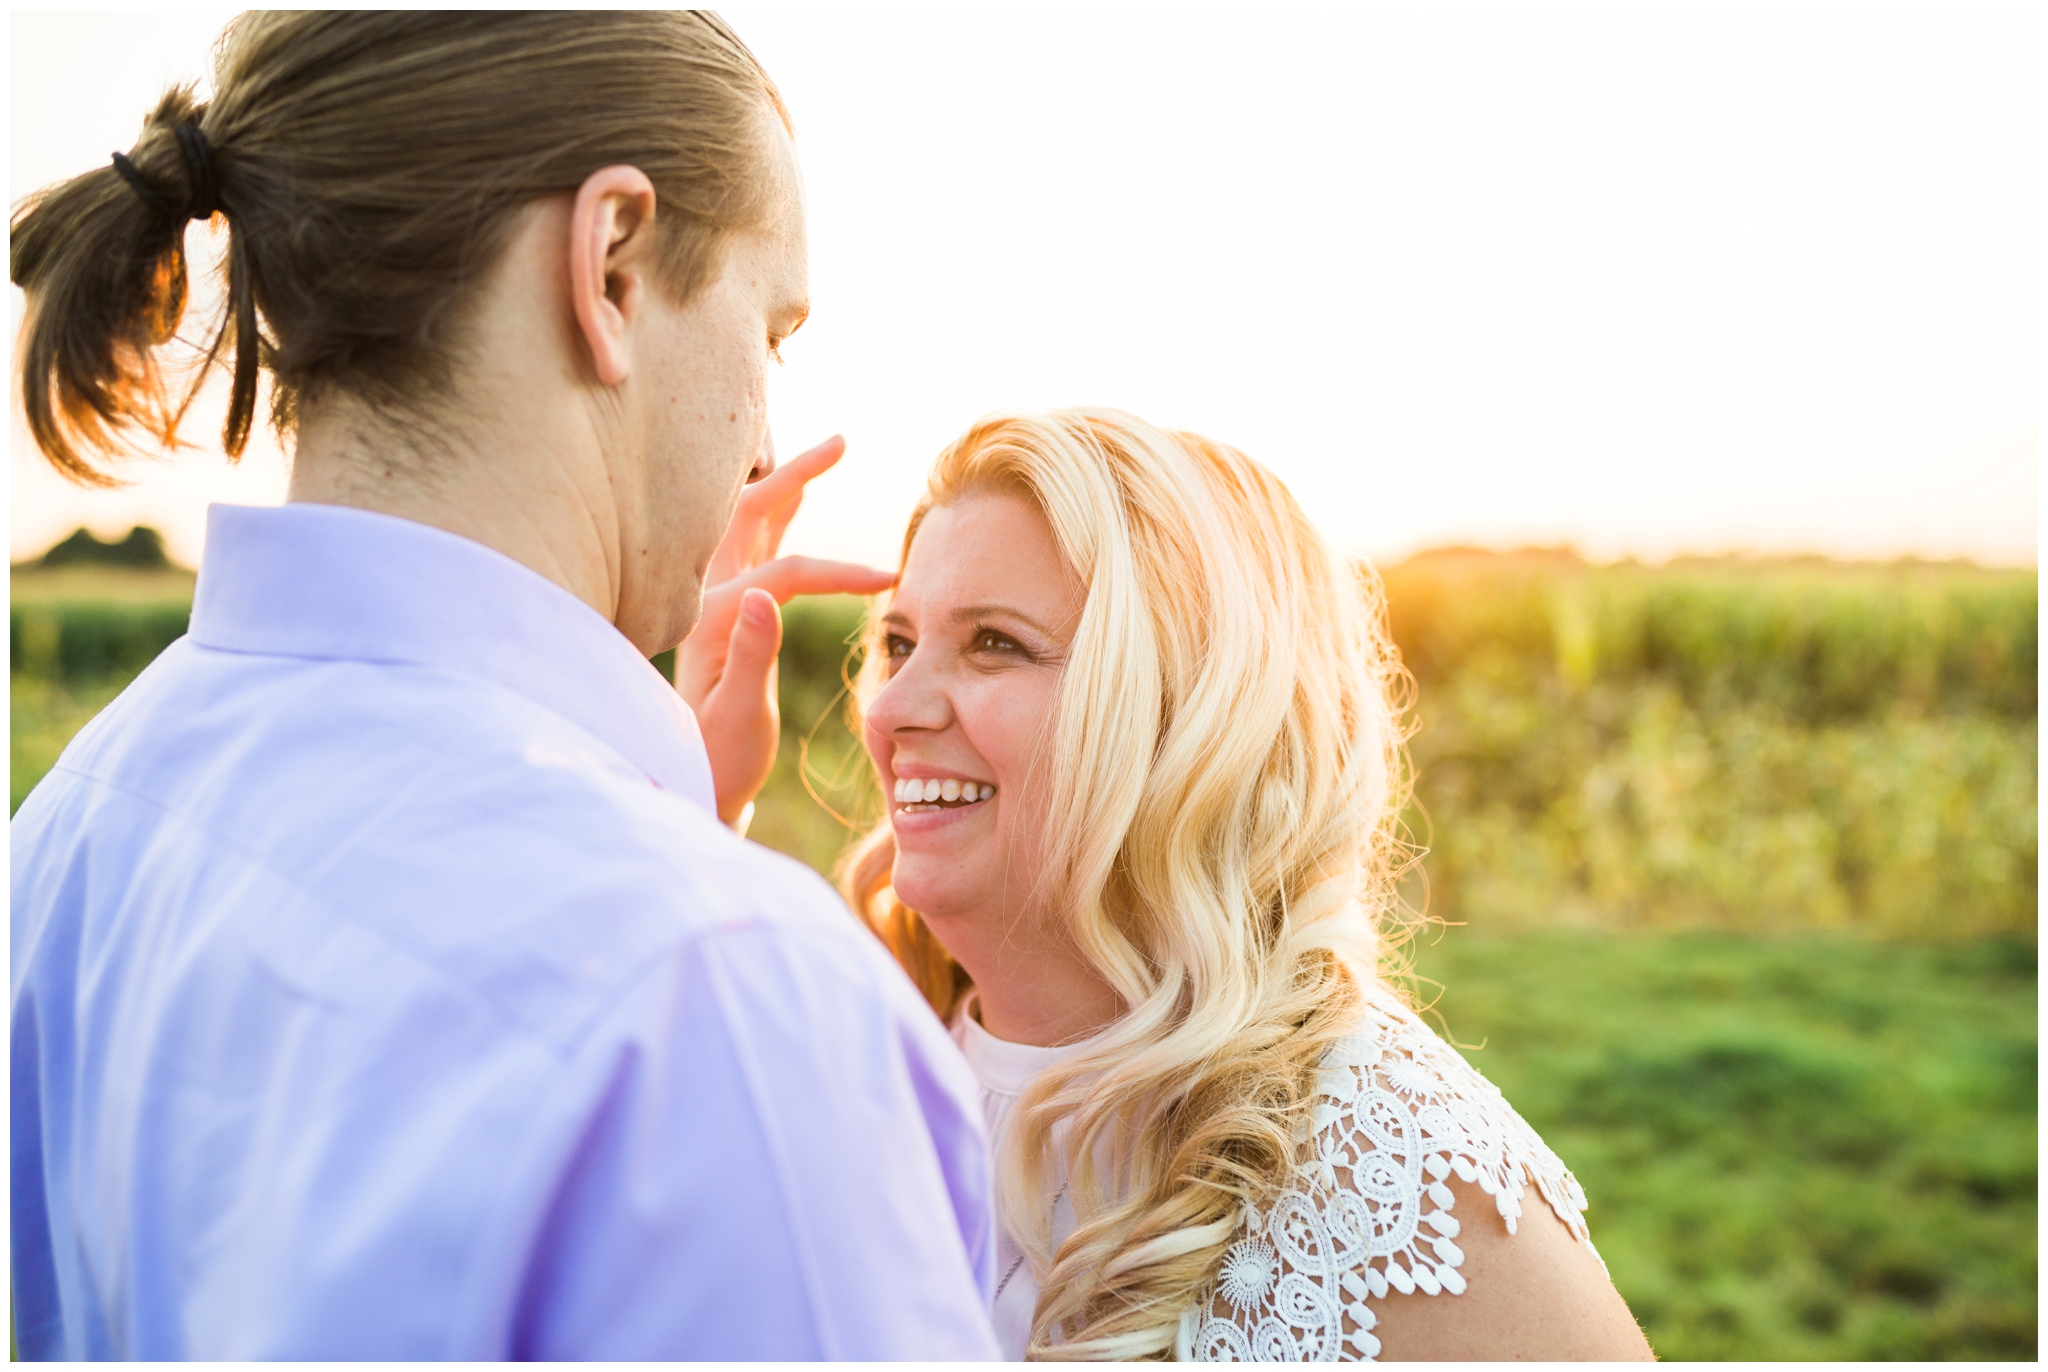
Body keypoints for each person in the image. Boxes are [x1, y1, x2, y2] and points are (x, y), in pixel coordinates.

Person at [10, 12, 998, 1360]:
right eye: (769, 334)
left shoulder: (73, 827)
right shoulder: (736, 1013)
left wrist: (672, 818)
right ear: (611, 266)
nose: (765, 436)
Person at [841, 408, 1657, 1360]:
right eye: (899, 642)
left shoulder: (1393, 1174)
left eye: (994, 643)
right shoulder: (858, 1059)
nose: (891, 708)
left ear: (1190, 712)